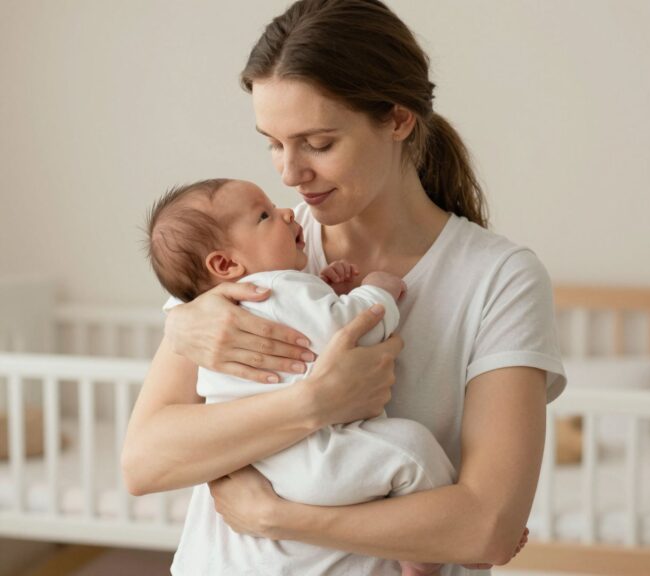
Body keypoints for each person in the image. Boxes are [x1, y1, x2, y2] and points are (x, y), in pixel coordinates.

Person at [122, 0, 566, 574]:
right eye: (273, 142)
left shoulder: (499, 279)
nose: (289, 173)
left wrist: (276, 516)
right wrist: (313, 403)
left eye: (319, 143)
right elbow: (144, 463)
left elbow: (487, 529)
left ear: (398, 119)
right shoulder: (250, 259)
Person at [144, 176, 458, 574]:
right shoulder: (273, 286)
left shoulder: (215, 309)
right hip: (310, 458)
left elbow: (305, 332)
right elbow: (347, 329)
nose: (287, 212)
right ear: (225, 264)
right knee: (413, 450)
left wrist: (325, 290)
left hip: (261, 463)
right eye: (264, 215)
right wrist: (376, 291)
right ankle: (430, 556)